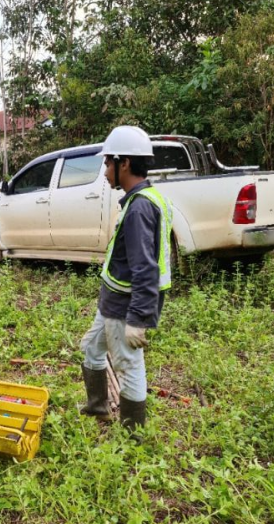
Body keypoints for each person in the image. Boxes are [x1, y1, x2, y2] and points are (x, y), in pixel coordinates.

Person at [79, 125, 173, 441]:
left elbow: (145, 269)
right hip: (112, 300)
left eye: (107, 163)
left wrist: (138, 319)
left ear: (125, 164)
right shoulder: (141, 199)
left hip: (125, 306)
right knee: (92, 347)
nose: (104, 171)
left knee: (129, 365)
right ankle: (97, 406)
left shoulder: (140, 208)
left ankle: (133, 435)